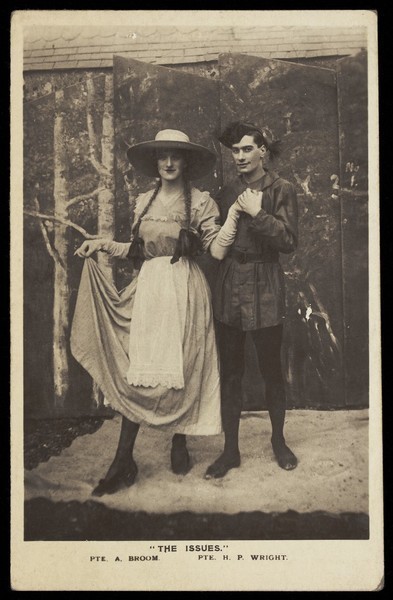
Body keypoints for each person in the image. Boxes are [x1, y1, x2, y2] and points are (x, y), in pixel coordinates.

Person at [71, 129, 241, 496]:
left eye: (175, 156)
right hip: (151, 288)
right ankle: (122, 460)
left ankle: (179, 440)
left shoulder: (200, 202)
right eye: (162, 156)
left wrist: (236, 216)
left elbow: (216, 250)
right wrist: (99, 244)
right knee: (141, 371)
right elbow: (136, 250)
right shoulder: (143, 201)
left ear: (186, 162)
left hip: (184, 288)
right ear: (155, 162)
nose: (167, 163)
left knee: (182, 365)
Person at [205, 121, 298, 480]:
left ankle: (278, 440)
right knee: (231, 372)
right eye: (235, 150)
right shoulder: (227, 191)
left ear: (263, 150)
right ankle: (230, 451)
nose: (240, 156)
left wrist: (258, 214)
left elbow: (289, 242)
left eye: (247, 149)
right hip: (230, 285)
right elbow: (217, 242)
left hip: (266, 285)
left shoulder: (282, 188)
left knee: (271, 369)